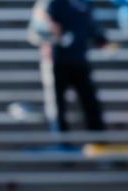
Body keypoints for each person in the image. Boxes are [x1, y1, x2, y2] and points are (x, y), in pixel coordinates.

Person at [28, 0, 108, 132]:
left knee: (90, 102)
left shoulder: (85, 3)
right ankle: (61, 141)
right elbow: (38, 24)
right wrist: (49, 26)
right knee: (57, 105)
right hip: (56, 61)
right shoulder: (50, 3)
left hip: (79, 60)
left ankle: (99, 139)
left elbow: (89, 24)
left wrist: (101, 40)